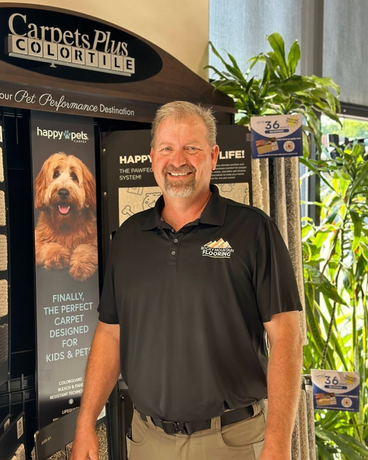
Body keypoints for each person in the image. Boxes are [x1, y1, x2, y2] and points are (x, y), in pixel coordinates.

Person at [71, 101, 303, 460]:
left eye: (191, 148)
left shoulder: (254, 231)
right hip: (148, 441)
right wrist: (86, 420)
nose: (177, 160)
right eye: (167, 148)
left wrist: (278, 444)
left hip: (232, 441)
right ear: (152, 158)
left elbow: (287, 339)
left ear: (213, 155)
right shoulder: (130, 237)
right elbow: (110, 334)